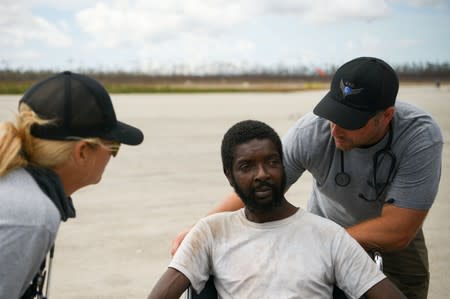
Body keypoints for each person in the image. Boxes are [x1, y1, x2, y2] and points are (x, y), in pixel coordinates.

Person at [171, 57, 443, 299]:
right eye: (333, 115)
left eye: (350, 121)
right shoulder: (312, 130)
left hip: (389, 245)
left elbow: (398, 229)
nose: (335, 129)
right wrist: (199, 229)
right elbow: (257, 189)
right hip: (324, 228)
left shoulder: (418, 137)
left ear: (386, 117)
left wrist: (324, 241)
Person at [149, 120, 405, 299]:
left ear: (283, 166)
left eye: (271, 162)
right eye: (247, 166)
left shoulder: (328, 235)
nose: (262, 174)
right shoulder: (211, 232)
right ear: (230, 176)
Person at [0, 71, 144, 299]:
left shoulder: (18, 187)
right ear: (83, 152)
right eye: (113, 146)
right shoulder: (31, 217)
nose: (112, 155)